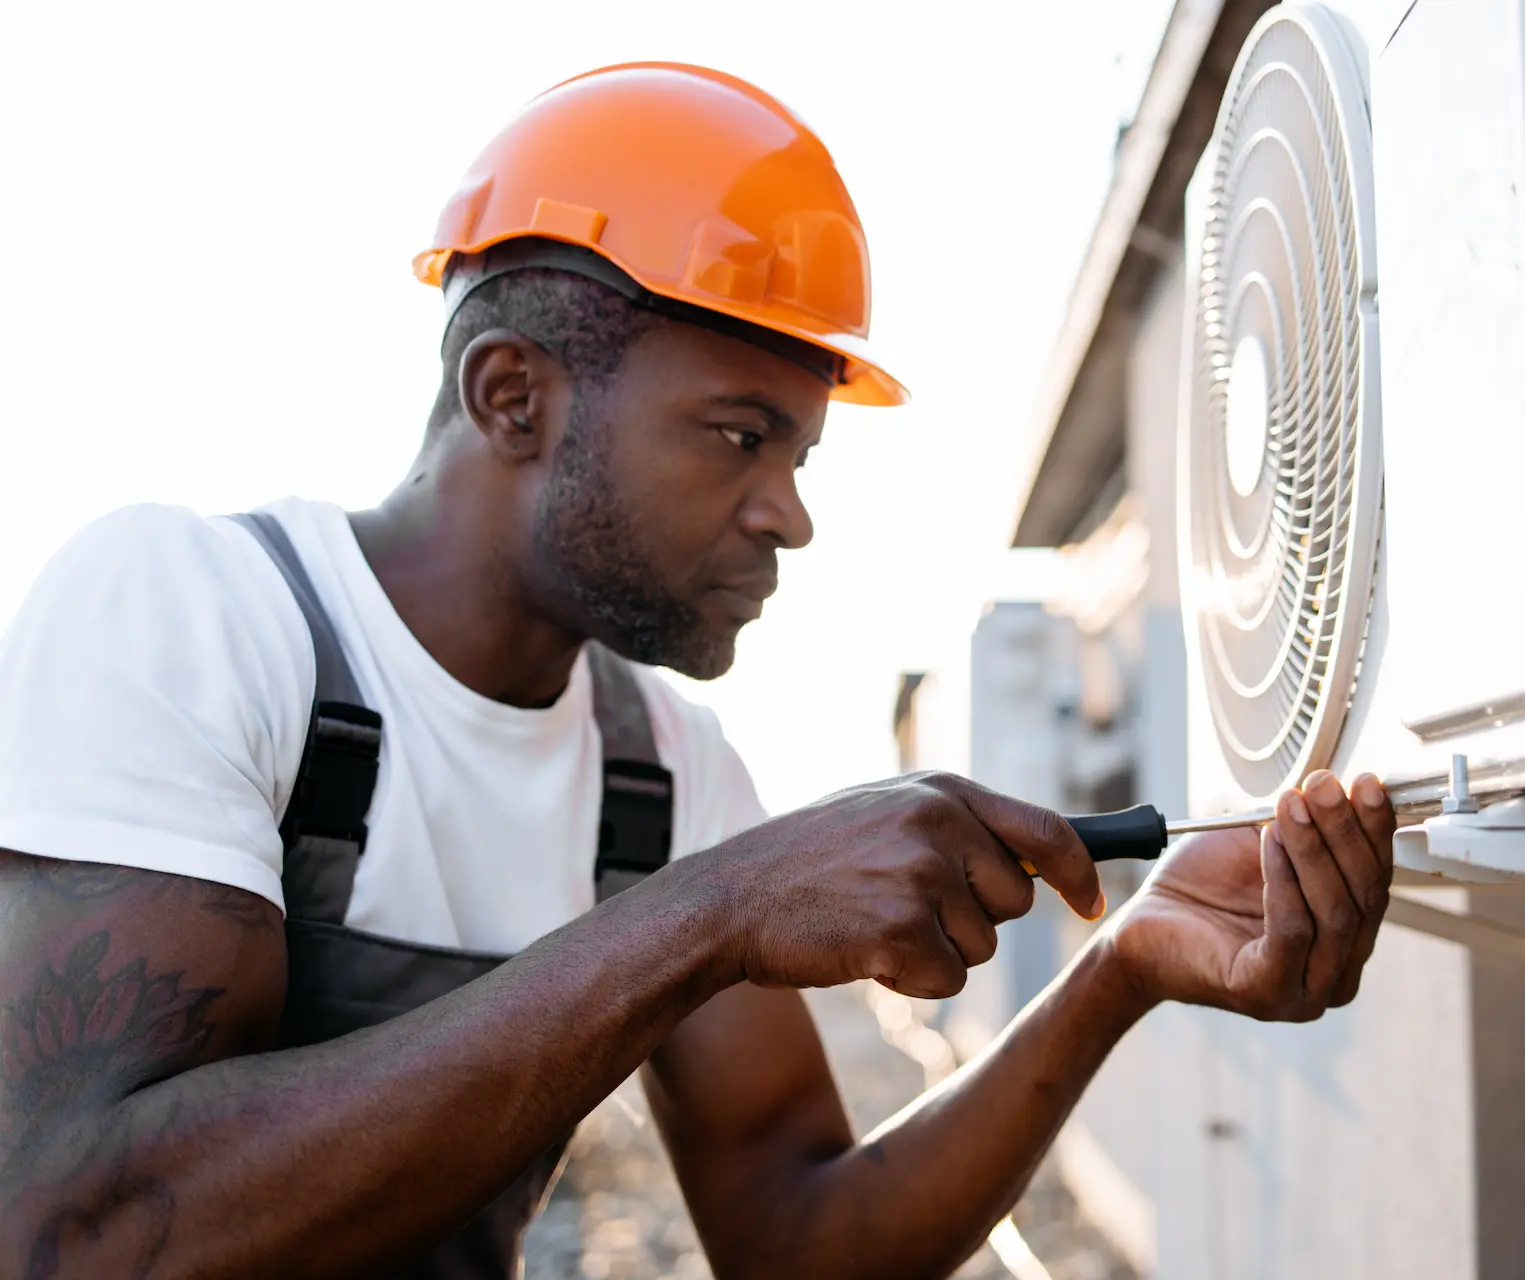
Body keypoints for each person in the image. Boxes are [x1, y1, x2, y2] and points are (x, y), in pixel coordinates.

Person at [0, 63, 1395, 1279]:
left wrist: (1122, 971)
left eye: (799, 456)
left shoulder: (660, 771)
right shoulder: (196, 614)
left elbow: (796, 1241)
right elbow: (79, 1233)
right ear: (514, 398)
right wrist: (715, 911)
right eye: (741, 437)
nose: (791, 512)